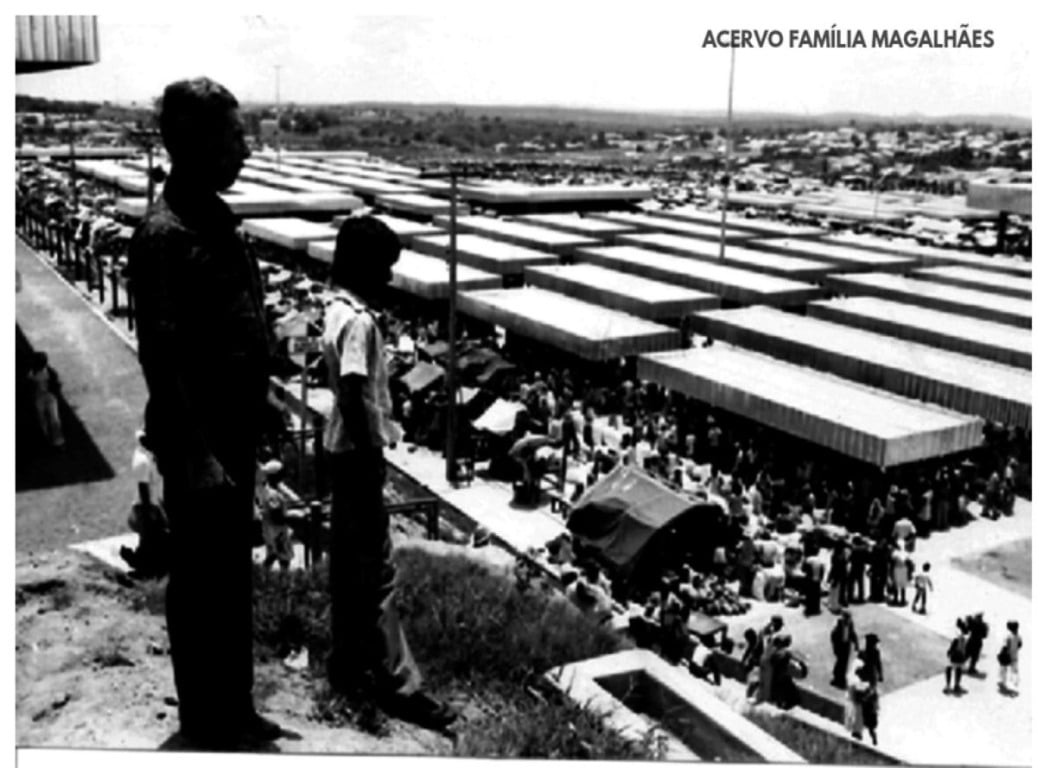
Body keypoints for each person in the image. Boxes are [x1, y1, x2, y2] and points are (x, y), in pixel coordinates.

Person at [129, 77, 281, 749]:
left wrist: (262, 393)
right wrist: (195, 454)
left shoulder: (216, 220)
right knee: (200, 583)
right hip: (201, 442)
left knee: (230, 577)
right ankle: (205, 723)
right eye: (233, 136)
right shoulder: (163, 235)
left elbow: (237, 319)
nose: (245, 149)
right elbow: (162, 359)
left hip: (233, 431)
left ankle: (235, 708)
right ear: (193, 143)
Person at [320, 215, 455, 732]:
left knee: (347, 566)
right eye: (383, 267)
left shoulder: (333, 309)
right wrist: (370, 449)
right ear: (362, 266)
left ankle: (346, 664)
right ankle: (401, 686)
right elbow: (354, 390)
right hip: (357, 454)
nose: (389, 278)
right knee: (378, 573)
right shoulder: (360, 322)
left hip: (338, 450)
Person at [27, 351, 65, 449]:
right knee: (53, 419)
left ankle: (49, 440)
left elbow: (30, 387)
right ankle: (57, 441)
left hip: (41, 398)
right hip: (47, 397)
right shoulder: (49, 372)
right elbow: (57, 385)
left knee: (44, 420)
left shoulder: (32, 373)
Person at [830, 610, 859, 689]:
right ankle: (837, 678)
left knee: (844, 663)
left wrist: (856, 644)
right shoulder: (839, 624)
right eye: (847, 618)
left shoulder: (850, 624)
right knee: (840, 662)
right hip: (840, 646)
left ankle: (841, 678)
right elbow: (833, 636)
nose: (848, 620)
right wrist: (835, 647)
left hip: (846, 646)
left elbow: (852, 633)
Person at [997, 621, 1022, 695]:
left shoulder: (1008, 636)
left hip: (1007, 655)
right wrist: (1015, 648)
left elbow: (1005, 646)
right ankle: (1015, 683)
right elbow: (1020, 645)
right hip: (1015, 655)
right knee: (1014, 670)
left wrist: (1001, 653)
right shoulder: (1018, 636)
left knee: (1003, 669)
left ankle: (1002, 682)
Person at [945, 621, 968, 694]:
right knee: (958, 670)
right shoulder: (965, 638)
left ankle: (948, 686)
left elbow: (952, 648)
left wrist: (948, 653)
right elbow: (965, 649)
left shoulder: (957, 638)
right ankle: (956, 685)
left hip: (954, 657)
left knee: (948, 669)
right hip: (961, 658)